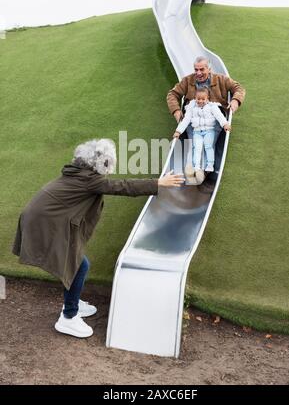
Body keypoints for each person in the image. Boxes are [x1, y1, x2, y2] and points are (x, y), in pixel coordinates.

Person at [12, 138, 184, 339]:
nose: (111, 168)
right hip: (46, 222)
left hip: (43, 218)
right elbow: (122, 186)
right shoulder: (89, 180)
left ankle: (73, 302)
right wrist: (158, 184)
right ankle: (68, 317)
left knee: (77, 264)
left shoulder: (78, 172)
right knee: (78, 265)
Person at [167, 56, 245, 180]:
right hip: (194, 120)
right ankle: (192, 168)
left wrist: (235, 100)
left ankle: (206, 170)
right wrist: (176, 110)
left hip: (213, 121)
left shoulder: (221, 80)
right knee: (194, 144)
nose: (198, 73)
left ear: (209, 68)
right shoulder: (188, 81)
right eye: (196, 70)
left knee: (208, 144)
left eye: (202, 69)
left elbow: (238, 88)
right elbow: (172, 94)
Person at [173, 88, 231, 183]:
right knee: (197, 148)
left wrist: (225, 124)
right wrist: (178, 131)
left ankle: (210, 165)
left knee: (208, 146)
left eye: (203, 99)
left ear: (207, 98)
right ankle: (196, 167)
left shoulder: (212, 107)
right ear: (195, 98)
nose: (200, 101)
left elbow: (219, 116)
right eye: (198, 99)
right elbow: (186, 120)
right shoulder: (192, 108)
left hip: (209, 131)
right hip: (197, 131)